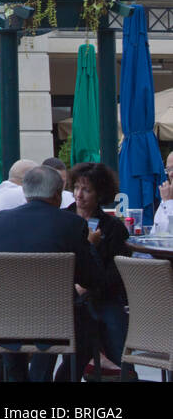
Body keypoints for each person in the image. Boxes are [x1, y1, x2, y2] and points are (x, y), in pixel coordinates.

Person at [0, 166, 103, 382]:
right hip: (56, 321)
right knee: (90, 326)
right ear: (57, 194)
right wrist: (90, 245)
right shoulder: (71, 224)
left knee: (16, 317)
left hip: (5, 322)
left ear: (26, 193)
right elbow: (92, 278)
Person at [68, 161, 133, 380]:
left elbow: (117, 274)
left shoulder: (112, 227)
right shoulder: (63, 221)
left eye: (86, 189)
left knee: (117, 341)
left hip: (102, 295)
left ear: (99, 193)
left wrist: (87, 286)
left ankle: (124, 372)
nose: (79, 195)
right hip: (67, 298)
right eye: (76, 187)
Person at [150, 151, 173, 234]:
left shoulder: (168, 199)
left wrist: (168, 202)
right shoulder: (168, 196)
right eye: (169, 169)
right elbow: (155, 232)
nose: (171, 174)